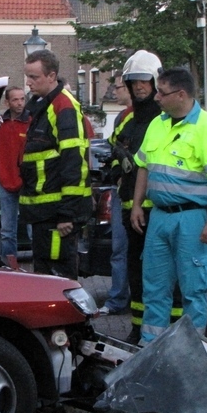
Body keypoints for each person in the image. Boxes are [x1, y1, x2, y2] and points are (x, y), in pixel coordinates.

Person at [130, 67, 207, 345]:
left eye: (162, 92)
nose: (156, 97)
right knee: (154, 288)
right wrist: (137, 205)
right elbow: (143, 167)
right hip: (159, 217)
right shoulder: (158, 124)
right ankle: (150, 345)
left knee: (194, 289)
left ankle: (193, 349)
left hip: (192, 219)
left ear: (181, 94)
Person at [111, 50, 182, 344]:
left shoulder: (166, 120)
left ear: (154, 81)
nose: (139, 87)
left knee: (167, 274)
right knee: (136, 271)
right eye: (133, 82)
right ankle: (139, 327)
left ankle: (175, 330)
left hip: (161, 210)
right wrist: (119, 163)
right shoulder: (126, 122)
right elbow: (114, 154)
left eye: (143, 81)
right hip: (132, 210)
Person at [20, 49, 92, 280]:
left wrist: (66, 214)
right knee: (45, 276)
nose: (28, 82)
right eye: (27, 76)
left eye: (34, 77)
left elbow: (74, 162)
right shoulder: (44, 106)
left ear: (51, 76)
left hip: (56, 214)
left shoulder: (63, 107)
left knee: (57, 277)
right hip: (45, 213)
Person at [97, 75, 131, 315]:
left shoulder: (135, 117)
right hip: (122, 189)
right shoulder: (122, 117)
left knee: (121, 249)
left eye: (117, 87)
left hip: (129, 190)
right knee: (120, 249)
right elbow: (114, 147)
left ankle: (118, 299)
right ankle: (118, 298)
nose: (114, 92)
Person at [0, 86, 29, 258]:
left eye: (22, 99)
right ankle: (9, 267)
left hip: (27, 183)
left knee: (31, 228)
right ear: (7, 102)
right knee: (7, 231)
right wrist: (0, 173)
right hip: (7, 183)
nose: (20, 103)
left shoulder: (31, 122)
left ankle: (37, 269)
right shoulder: (0, 125)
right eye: (15, 100)